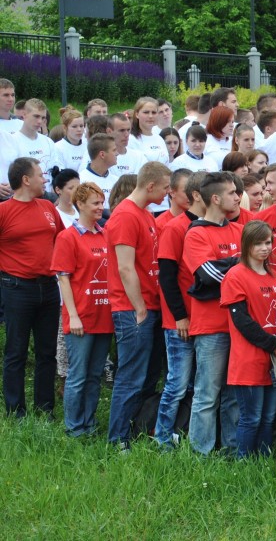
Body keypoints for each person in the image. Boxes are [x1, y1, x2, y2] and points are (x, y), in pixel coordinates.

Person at [105, 161, 171, 448]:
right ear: (150, 185)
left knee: (147, 376)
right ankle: (118, 439)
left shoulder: (145, 214)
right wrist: (139, 308)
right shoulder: (125, 215)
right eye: (165, 187)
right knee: (131, 376)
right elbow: (125, 267)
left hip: (148, 305)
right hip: (132, 309)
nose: (168, 193)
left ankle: (134, 429)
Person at [182, 172, 243, 455]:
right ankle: (200, 454)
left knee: (234, 393)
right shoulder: (196, 233)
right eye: (232, 193)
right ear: (216, 199)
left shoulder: (240, 230)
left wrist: (227, 265)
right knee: (207, 393)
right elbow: (207, 275)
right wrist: (237, 265)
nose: (238, 197)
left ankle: (231, 449)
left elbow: (256, 269)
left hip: (239, 325)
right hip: (211, 326)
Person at [0, 157, 64, 417]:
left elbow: (62, 239)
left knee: (47, 352)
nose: (45, 179)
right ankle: (15, 410)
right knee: (16, 351)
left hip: (48, 286)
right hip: (17, 287)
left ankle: (45, 407)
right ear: (26, 180)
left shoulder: (48, 206)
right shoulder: (4, 211)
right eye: (40, 175)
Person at [51, 181, 112, 436]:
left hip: (104, 315)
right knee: (77, 375)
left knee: (95, 374)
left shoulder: (105, 234)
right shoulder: (68, 237)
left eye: (102, 202)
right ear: (80, 204)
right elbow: (63, 278)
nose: (100, 207)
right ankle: (74, 428)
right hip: (81, 317)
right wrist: (73, 316)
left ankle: (89, 423)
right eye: (95, 203)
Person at [221, 220, 276, 457]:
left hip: (275, 361)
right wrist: (273, 345)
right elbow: (242, 322)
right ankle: (244, 465)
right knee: (251, 417)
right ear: (247, 244)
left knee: (268, 418)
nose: (265, 248)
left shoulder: (275, 275)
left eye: (268, 242)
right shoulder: (235, 275)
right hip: (249, 359)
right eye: (258, 243)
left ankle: (264, 464)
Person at [154, 171, 207, 447]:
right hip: (181, 321)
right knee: (177, 384)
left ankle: (185, 434)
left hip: (206, 321)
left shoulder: (211, 225)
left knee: (198, 385)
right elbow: (166, 278)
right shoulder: (175, 228)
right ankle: (162, 439)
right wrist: (180, 317)